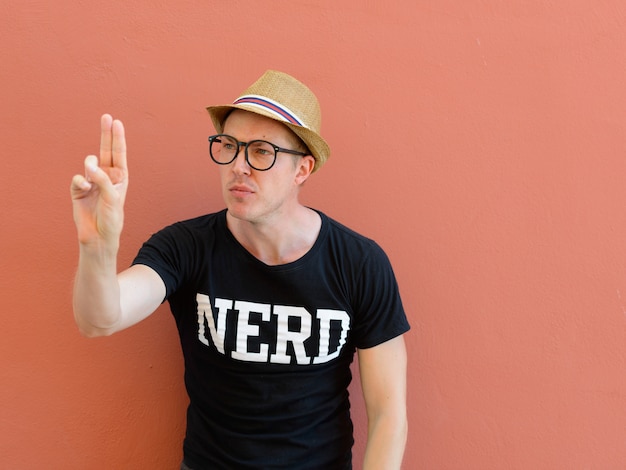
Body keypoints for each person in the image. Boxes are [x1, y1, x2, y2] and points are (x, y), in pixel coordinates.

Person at [70, 70, 410, 469]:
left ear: (303, 169)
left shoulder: (359, 263)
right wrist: (97, 246)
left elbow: (389, 415)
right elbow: (99, 320)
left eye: (262, 151)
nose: (238, 166)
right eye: (229, 146)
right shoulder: (185, 247)